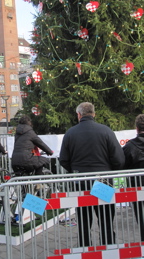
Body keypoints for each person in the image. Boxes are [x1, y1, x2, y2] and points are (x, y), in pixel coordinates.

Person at [59, 102, 125, 247]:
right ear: (94, 114)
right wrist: (109, 171)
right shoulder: (106, 131)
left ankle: (85, 249)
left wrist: (75, 170)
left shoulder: (70, 133)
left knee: (83, 219)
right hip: (103, 181)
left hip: (80, 182)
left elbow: (63, 159)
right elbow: (119, 159)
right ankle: (109, 249)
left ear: (79, 115)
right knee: (106, 219)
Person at [122, 114, 144, 241]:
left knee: (141, 219)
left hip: (137, 188)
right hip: (136, 187)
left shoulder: (129, 146)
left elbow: (122, 165)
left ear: (137, 128)